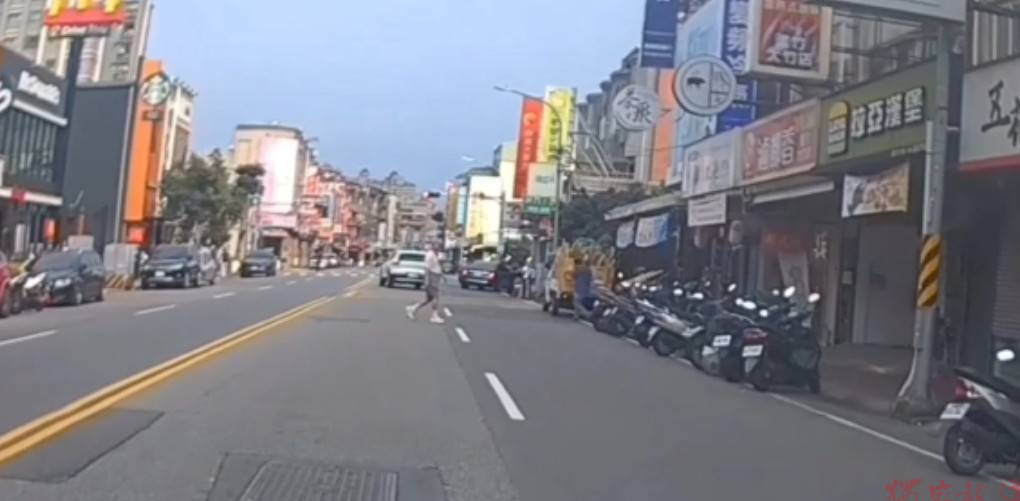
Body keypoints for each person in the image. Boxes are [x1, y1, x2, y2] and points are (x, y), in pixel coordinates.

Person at [406, 244, 445, 324]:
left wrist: (442, 276)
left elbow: (438, 266)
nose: (439, 247)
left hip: (436, 276)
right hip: (432, 277)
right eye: (437, 245)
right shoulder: (430, 255)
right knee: (435, 297)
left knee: (428, 299)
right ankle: (434, 316)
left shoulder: (437, 254)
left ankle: (412, 308)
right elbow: (427, 269)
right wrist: (426, 280)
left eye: (440, 246)